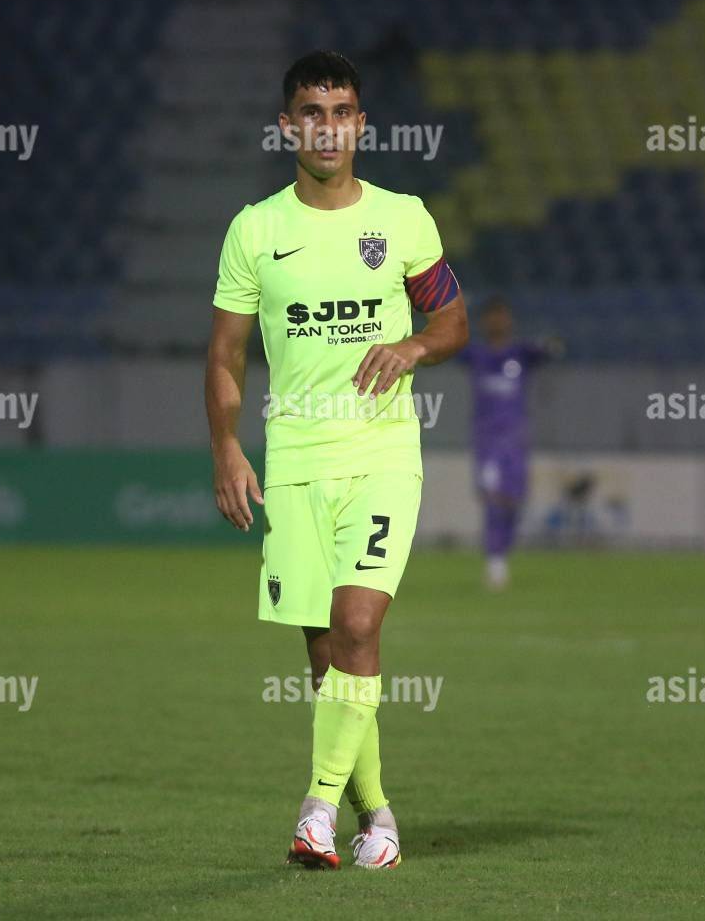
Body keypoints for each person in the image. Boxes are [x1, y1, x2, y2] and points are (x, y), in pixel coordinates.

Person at [204, 51, 467, 870]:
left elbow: (453, 321)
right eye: (312, 113)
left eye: (341, 111)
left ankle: (315, 809)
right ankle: (376, 817)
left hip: (382, 453)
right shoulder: (255, 230)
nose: (327, 127)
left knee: (358, 624)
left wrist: (413, 346)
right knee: (327, 658)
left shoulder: (403, 219)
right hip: (294, 461)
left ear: (361, 124)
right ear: (288, 126)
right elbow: (225, 354)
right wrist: (226, 446)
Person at [463, 297, 555, 589]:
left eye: (501, 316)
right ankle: (495, 561)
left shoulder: (521, 354)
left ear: (509, 320)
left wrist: (549, 344)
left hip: (515, 440)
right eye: (492, 316)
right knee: (492, 497)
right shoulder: (476, 354)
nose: (497, 322)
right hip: (487, 439)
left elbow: (552, 349)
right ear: (483, 322)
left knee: (513, 501)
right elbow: (444, 347)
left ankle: (502, 553)